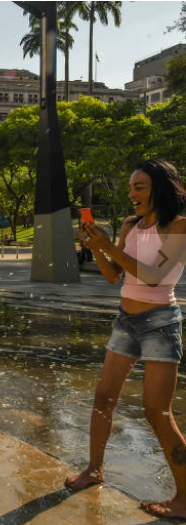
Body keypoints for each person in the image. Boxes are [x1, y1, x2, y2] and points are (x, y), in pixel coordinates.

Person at [65, 159, 186, 520]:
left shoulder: (179, 226)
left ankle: (185, 497)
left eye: (140, 187)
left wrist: (109, 246)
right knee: (103, 398)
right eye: (131, 187)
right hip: (125, 320)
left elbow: (154, 276)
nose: (131, 194)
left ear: (159, 188)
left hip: (160, 323)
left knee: (156, 411)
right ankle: (94, 470)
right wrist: (97, 247)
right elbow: (113, 276)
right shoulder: (130, 225)